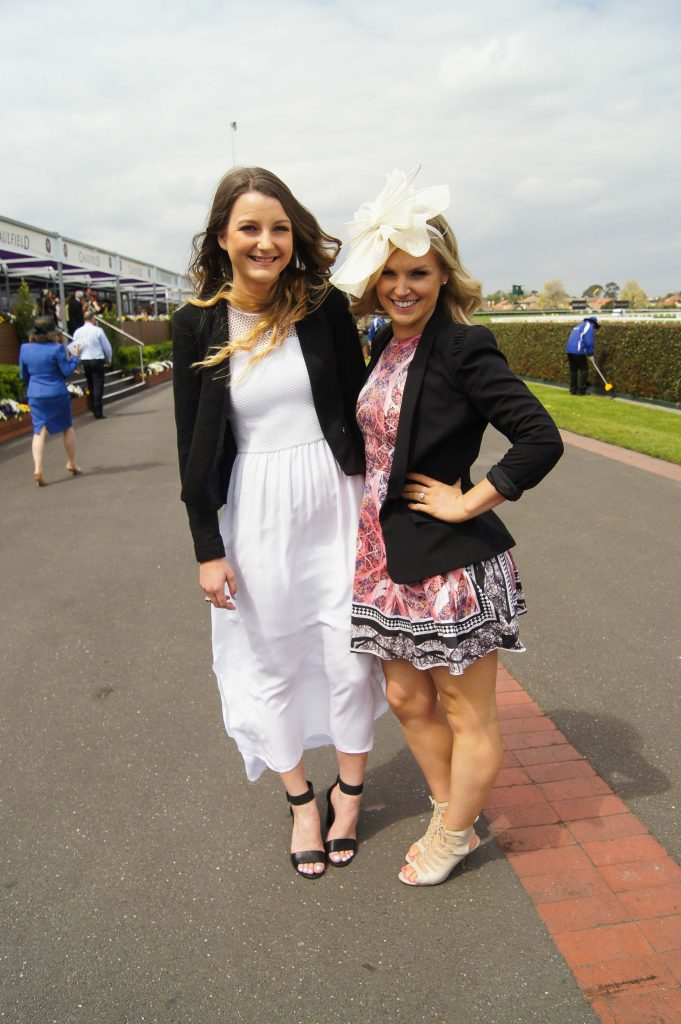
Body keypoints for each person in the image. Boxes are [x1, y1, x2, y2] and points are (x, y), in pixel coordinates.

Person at [330, 170, 564, 886]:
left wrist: (471, 501)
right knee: (405, 698)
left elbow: (539, 437)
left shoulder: (464, 346)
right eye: (390, 273)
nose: (403, 288)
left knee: (467, 711)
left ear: (443, 276)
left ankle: (456, 833)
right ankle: (446, 808)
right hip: (384, 557)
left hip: (447, 563)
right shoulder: (382, 341)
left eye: (419, 273)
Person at [172, 166, 386, 879]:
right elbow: (191, 444)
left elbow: (362, 402)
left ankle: (348, 794)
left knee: (350, 657)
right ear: (222, 238)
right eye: (249, 228)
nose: (265, 242)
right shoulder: (197, 322)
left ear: (294, 236)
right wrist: (206, 546)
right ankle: (300, 802)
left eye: (279, 228)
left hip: (336, 497)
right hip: (258, 506)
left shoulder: (321, 306)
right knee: (271, 660)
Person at [18, 316, 81, 486]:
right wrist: (75, 357)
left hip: (35, 393)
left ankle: (38, 468)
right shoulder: (56, 349)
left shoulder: (24, 348)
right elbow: (66, 371)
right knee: (67, 427)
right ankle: (71, 463)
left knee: (39, 430)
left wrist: (33, 385)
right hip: (57, 392)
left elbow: (23, 374)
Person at [69, 311, 113, 419]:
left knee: (90, 383)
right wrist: (109, 358)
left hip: (85, 360)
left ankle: (92, 406)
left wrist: (75, 362)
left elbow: (75, 348)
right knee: (98, 384)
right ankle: (98, 410)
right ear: (93, 318)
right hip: (97, 359)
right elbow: (107, 347)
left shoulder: (78, 332)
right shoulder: (98, 330)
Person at [565, 316, 598, 395]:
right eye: (595, 327)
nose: (594, 329)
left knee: (574, 370)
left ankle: (573, 390)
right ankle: (581, 391)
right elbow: (589, 341)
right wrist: (590, 354)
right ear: (593, 323)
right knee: (584, 369)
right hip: (578, 350)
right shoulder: (589, 326)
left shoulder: (579, 326)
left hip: (569, 350)